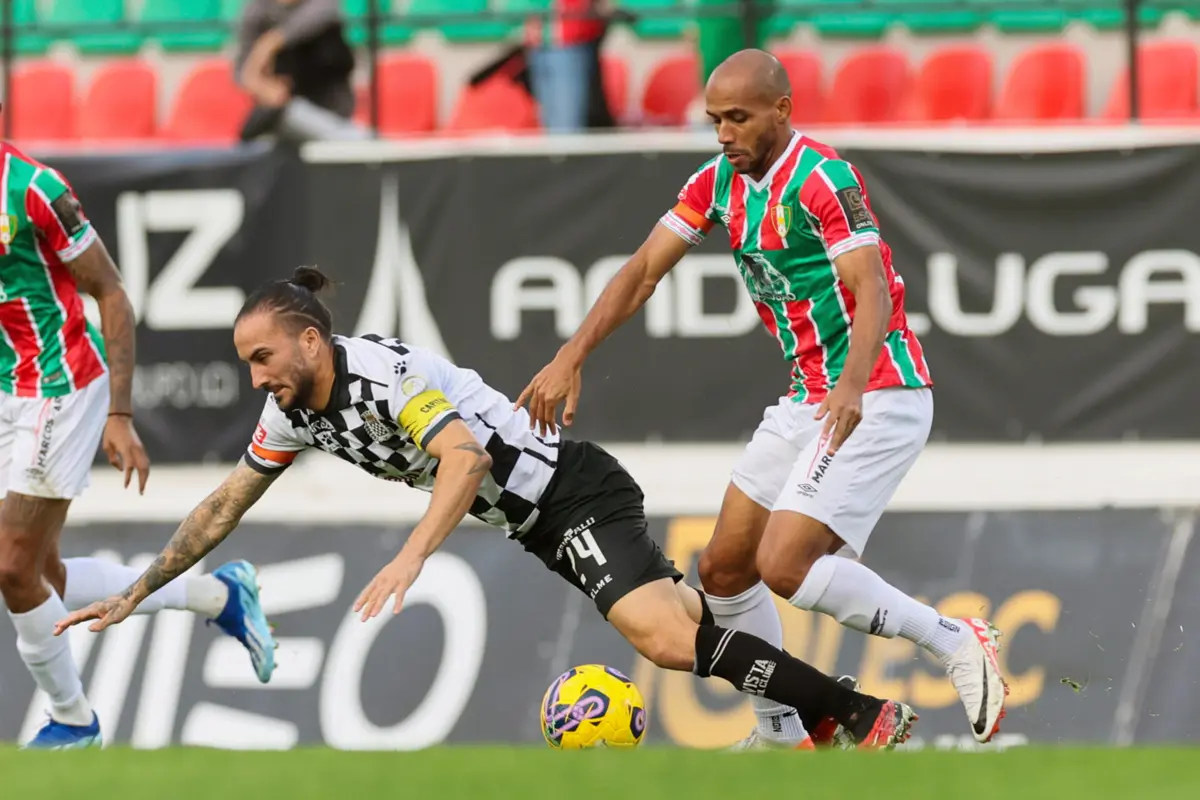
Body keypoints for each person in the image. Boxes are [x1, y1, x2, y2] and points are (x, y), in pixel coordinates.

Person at [56, 266, 918, 752]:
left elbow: (464, 459)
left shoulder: (382, 377)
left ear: (310, 341)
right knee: (685, 618)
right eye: (247, 363)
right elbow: (222, 507)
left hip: (572, 493)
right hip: (542, 523)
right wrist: (137, 590)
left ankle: (857, 715)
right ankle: (823, 709)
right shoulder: (293, 414)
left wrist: (410, 557)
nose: (256, 378)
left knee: (661, 640)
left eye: (262, 357)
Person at [515, 49, 1009, 750]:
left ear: (782, 110)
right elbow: (644, 269)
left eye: (738, 118)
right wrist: (572, 355)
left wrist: (852, 383)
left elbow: (870, 287)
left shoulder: (823, 178)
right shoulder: (717, 182)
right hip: (808, 398)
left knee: (785, 565)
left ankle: (955, 639)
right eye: (715, 119)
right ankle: (783, 733)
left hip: (877, 391)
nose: (724, 134)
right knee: (722, 570)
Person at [0, 137, 276, 750]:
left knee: (13, 568)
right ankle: (219, 595)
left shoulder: (34, 189)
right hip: (7, 390)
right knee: (43, 575)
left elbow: (112, 291)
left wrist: (120, 414)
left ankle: (73, 721)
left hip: (61, 385)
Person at [235, 0, 368, 143]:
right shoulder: (258, 10)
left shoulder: (321, 7)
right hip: (284, 113)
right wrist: (263, 86)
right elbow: (243, 73)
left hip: (329, 111)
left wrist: (270, 43)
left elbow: (320, 13)